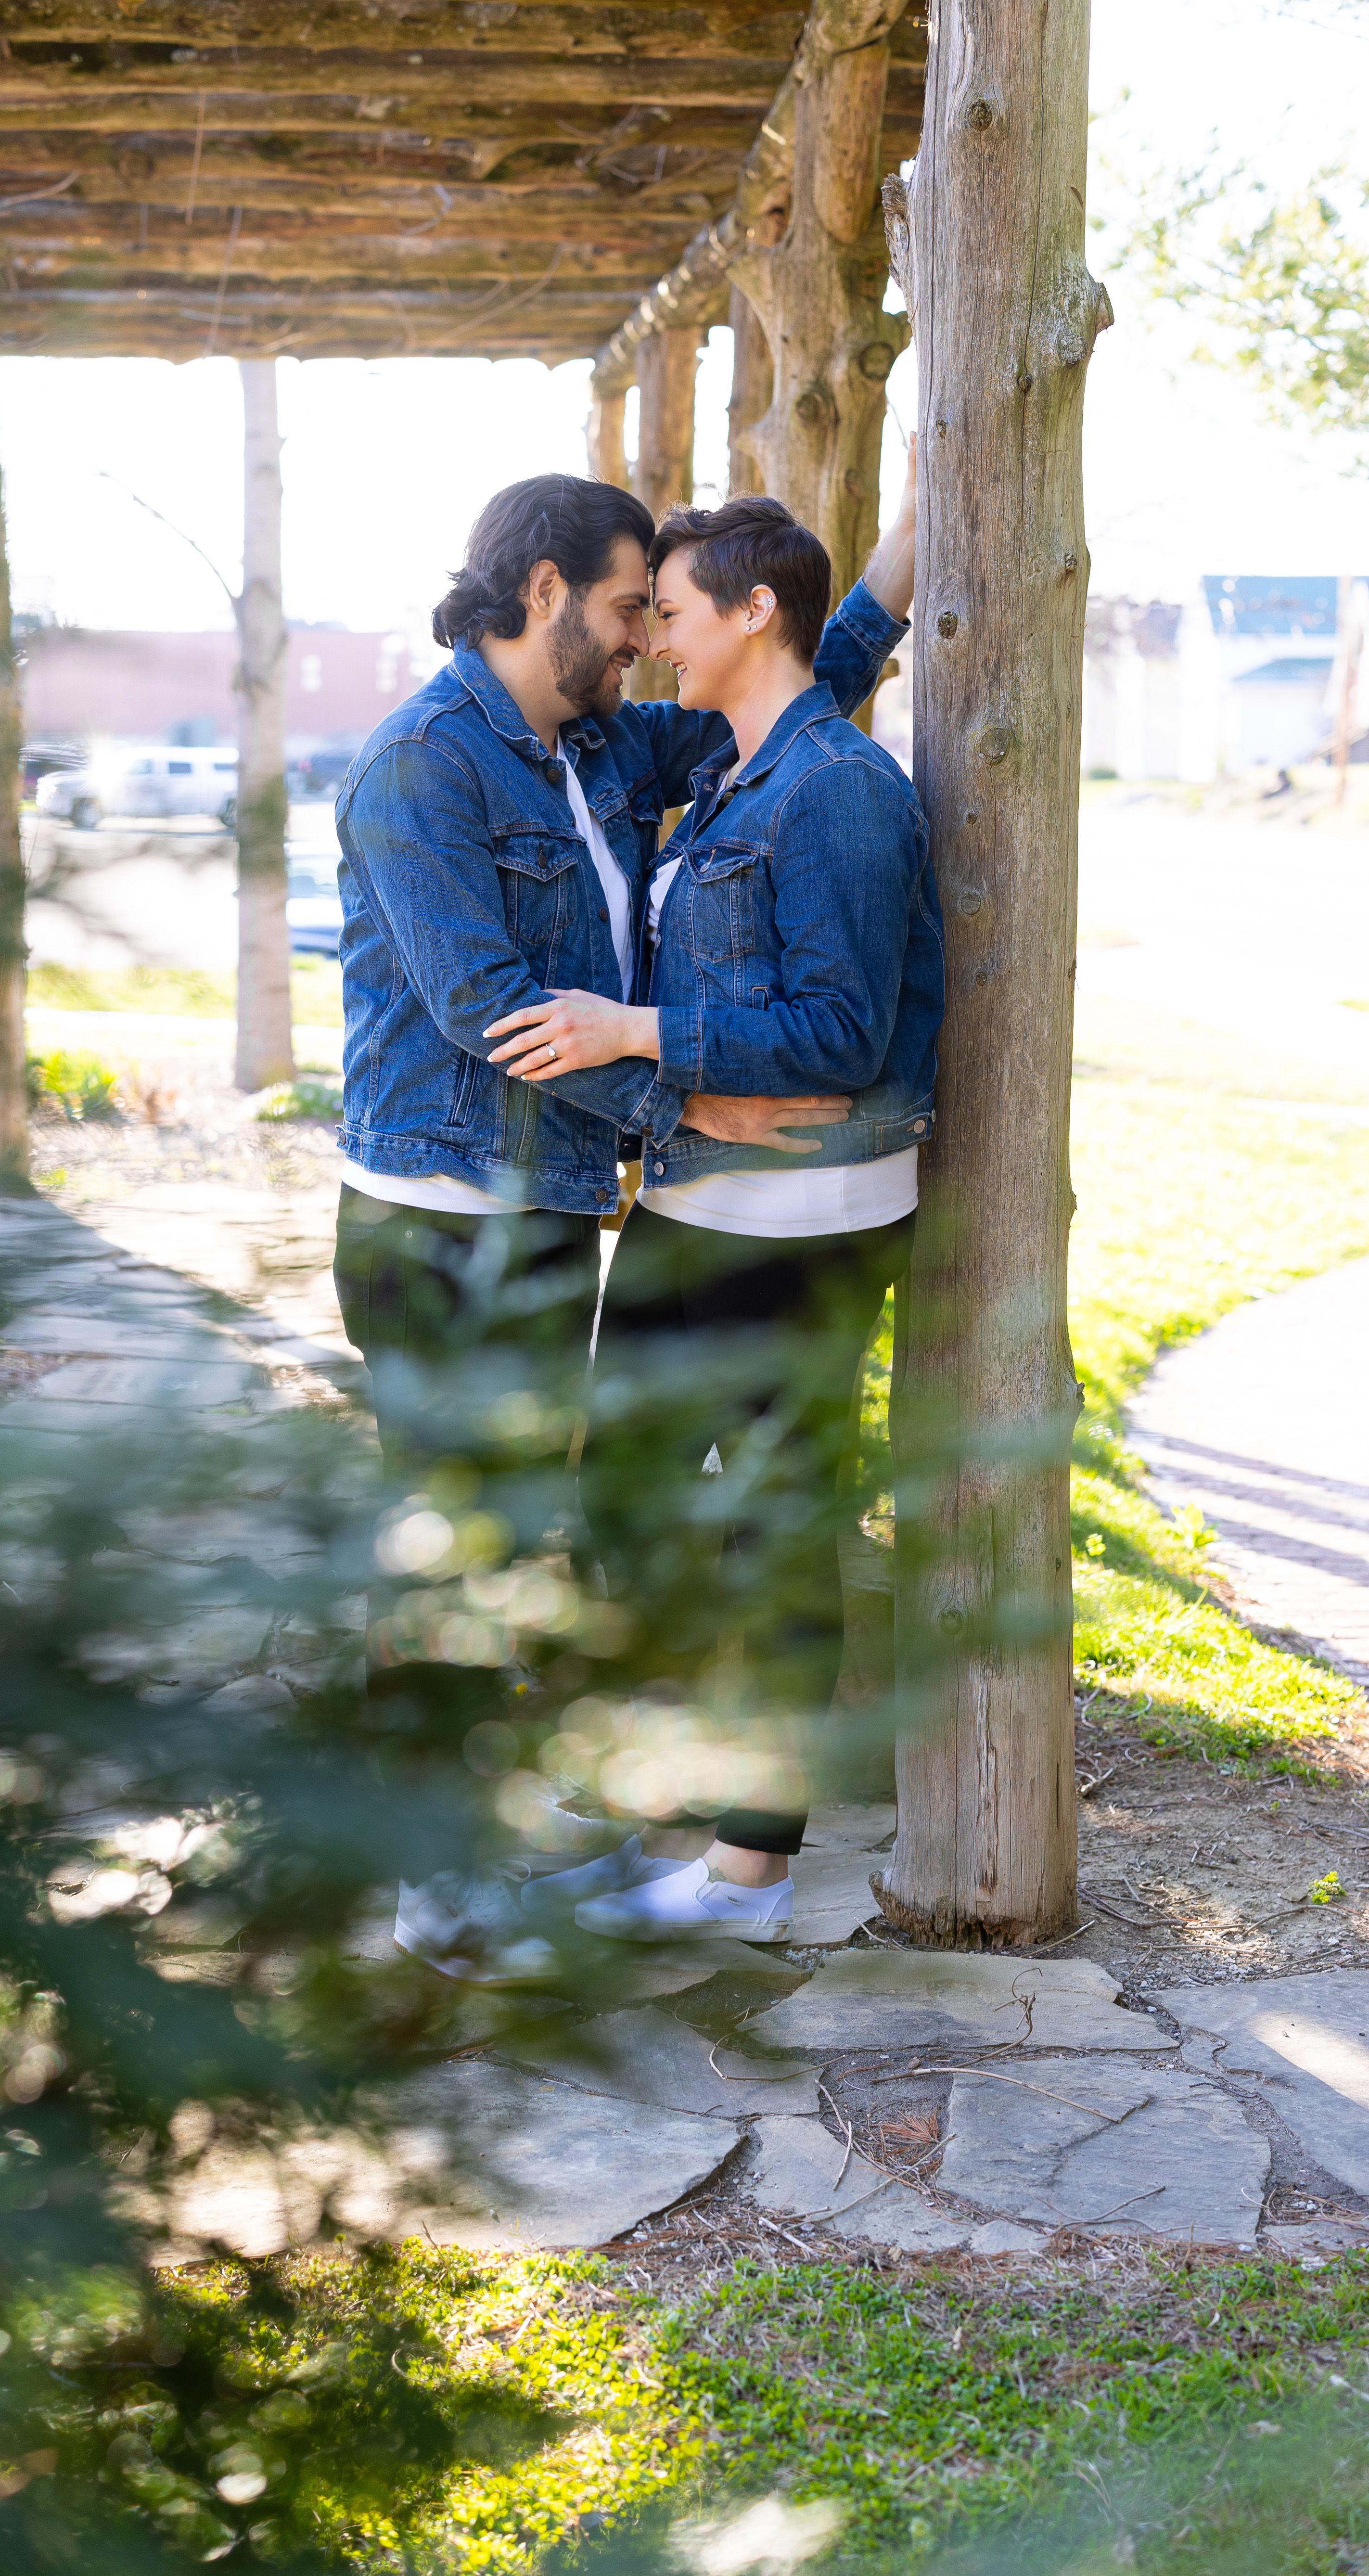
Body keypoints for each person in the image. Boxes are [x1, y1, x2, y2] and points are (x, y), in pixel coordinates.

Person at [334, 466, 919, 1978]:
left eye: (659, 609)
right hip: (440, 1221)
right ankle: (434, 1874)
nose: (644, 635)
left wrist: (904, 555)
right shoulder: (418, 769)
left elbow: (788, 689)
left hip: (544, 1211)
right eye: (621, 606)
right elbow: (490, 1014)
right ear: (542, 594)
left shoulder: (595, 742)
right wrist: (694, 1098)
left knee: (516, 1545)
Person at [480, 493, 944, 1941]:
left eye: (671, 612)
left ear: (753, 613)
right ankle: (664, 1789)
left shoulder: (840, 788)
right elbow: (839, 641)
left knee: (775, 1533)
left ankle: (753, 1869)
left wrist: (637, 1035)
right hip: (697, 1198)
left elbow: (842, 1035)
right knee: (621, 1502)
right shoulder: (742, 771)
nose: (654, 638)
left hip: (803, 1217)